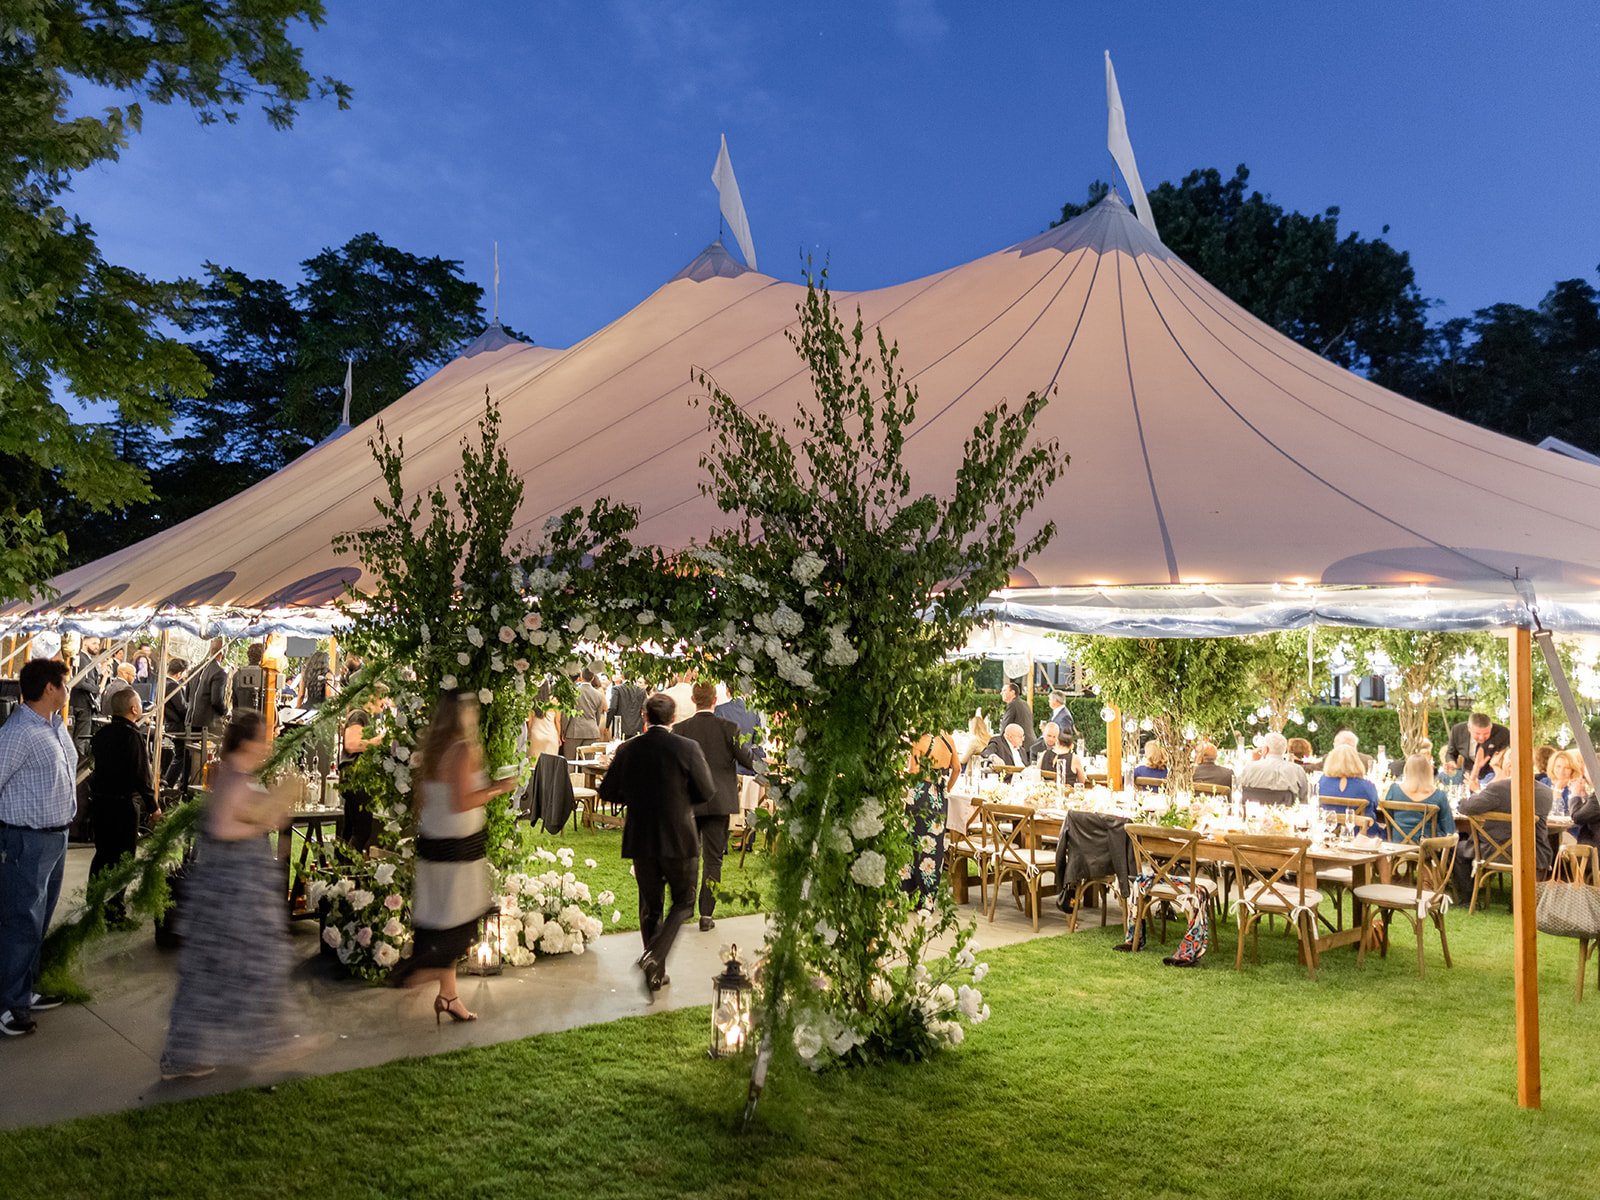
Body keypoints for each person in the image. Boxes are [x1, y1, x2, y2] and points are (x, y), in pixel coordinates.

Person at [159, 711, 301, 1079]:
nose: (268, 744)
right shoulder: (234, 779)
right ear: (249, 742)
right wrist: (268, 814)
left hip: (239, 889)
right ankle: (261, 1043)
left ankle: (203, 1051)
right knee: (242, 967)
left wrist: (271, 813)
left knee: (227, 970)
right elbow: (224, 827)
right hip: (231, 893)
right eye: (264, 737)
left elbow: (254, 818)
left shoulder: (239, 778)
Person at [396, 691, 516, 1024]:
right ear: (461, 715)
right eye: (470, 709)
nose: (474, 714)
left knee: (443, 918)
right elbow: (462, 801)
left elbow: (421, 800)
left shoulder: (431, 751)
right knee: (461, 925)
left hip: (435, 844)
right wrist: (498, 788)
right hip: (459, 847)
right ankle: (414, 974)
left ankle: (448, 996)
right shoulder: (462, 749)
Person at [597, 693, 716, 997]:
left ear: (644, 716)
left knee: (651, 907)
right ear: (673, 718)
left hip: (643, 837)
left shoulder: (629, 749)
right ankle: (653, 958)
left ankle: (655, 970)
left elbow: (608, 790)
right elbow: (706, 790)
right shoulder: (687, 748)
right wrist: (679, 803)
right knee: (685, 901)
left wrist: (637, 798)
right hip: (679, 835)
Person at [0, 659, 76, 1037]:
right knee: (20, 921)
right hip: (27, 838)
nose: (68, 689)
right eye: (64, 683)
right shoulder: (19, 732)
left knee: (38, 919)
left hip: (54, 836)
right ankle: (8, 1004)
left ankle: (24, 990)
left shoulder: (54, 726)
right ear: (50, 688)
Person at [672, 683, 756, 931]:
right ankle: (706, 914)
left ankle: (685, 907)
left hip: (690, 800)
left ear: (693, 699)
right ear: (715, 699)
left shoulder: (681, 729)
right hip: (719, 799)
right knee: (713, 859)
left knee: (689, 855)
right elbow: (747, 760)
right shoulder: (728, 728)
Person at [88, 688, 159, 922]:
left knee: (103, 854)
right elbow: (141, 775)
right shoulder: (132, 736)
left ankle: (94, 904)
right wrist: (153, 806)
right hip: (122, 806)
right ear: (134, 709)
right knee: (123, 859)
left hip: (100, 803)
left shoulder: (102, 734)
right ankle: (114, 910)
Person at [1453, 774, 1554, 899]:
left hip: (1492, 852)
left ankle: (1468, 897)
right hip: (1533, 853)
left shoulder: (1498, 789)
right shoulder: (1546, 792)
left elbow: (1467, 808)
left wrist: (1464, 800)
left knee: (1458, 849)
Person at [905, 730, 960, 906]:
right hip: (939, 796)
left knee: (914, 843)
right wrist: (947, 788)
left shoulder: (920, 741)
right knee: (934, 847)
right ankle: (928, 898)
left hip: (920, 794)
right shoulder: (948, 739)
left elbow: (913, 770)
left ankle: (910, 894)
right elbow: (957, 769)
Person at [338, 689, 388, 851]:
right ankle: (349, 869)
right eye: (383, 697)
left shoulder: (363, 717)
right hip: (356, 777)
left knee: (349, 831)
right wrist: (380, 741)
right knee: (362, 832)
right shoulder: (359, 715)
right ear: (372, 697)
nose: (385, 702)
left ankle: (340, 869)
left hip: (352, 778)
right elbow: (352, 745)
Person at [1383, 753, 1454, 841]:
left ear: (1406, 770)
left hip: (1396, 847)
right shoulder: (1439, 796)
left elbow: (1387, 820)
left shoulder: (1394, 791)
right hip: (1428, 849)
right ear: (1429, 771)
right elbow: (1449, 829)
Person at [1318, 745, 1382, 834]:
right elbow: (1375, 805)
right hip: (1362, 836)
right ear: (1357, 762)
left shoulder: (1321, 783)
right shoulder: (1367, 786)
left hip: (1328, 833)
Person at [1236, 732, 1310, 804]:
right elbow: (1304, 797)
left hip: (1252, 814)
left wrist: (1253, 762)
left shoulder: (1250, 768)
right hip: (1286, 814)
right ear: (1284, 750)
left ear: (1265, 749)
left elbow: (1237, 789)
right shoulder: (1297, 770)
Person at [1446, 712, 1511, 784]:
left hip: (1493, 775)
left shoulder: (1502, 733)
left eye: (1486, 733)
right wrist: (1451, 762)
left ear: (1491, 727)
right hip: (1469, 776)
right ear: (1469, 728)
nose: (1481, 738)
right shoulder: (1457, 731)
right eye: (1477, 733)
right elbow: (1451, 753)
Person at [715, 686, 766, 776]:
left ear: (728, 691)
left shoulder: (720, 710)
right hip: (747, 768)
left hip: (726, 769)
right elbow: (757, 742)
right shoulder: (754, 711)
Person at [69, 637, 104, 757]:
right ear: (84, 643)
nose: (96, 646)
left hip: (83, 703)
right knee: (81, 740)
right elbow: (79, 681)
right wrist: (96, 689)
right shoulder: (82, 658)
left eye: (98, 644)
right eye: (94, 643)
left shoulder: (87, 659)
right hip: (82, 703)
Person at [562, 668, 606, 759]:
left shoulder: (573, 692)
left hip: (574, 731)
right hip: (592, 731)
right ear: (593, 677)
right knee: (588, 763)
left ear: (581, 676)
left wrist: (563, 731)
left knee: (571, 762)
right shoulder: (599, 695)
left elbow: (567, 714)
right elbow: (598, 716)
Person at [1547, 749, 1592, 820]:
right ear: (1552, 767)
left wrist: (1557, 791)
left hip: (1571, 829)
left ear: (1572, 769)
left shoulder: (1576, 786)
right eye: (1558, 766)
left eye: (1567, 768)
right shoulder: (1544, 783)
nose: (1561, 771)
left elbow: (1559, 817)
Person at [525, 681, 562, 760]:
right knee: (550, 764)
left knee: (534, 765)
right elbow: (557, 721)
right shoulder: (555, 702)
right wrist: (558, 736)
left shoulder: (532, 702)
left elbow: (530, 721)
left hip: (535, 735)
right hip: (551, 735)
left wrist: (528, 734)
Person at [230, 643, 269, 717]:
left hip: (240, 719)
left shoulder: (237, 675)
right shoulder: (265, 676)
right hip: (258, 720)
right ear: (263, 657)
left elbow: (235, 701)